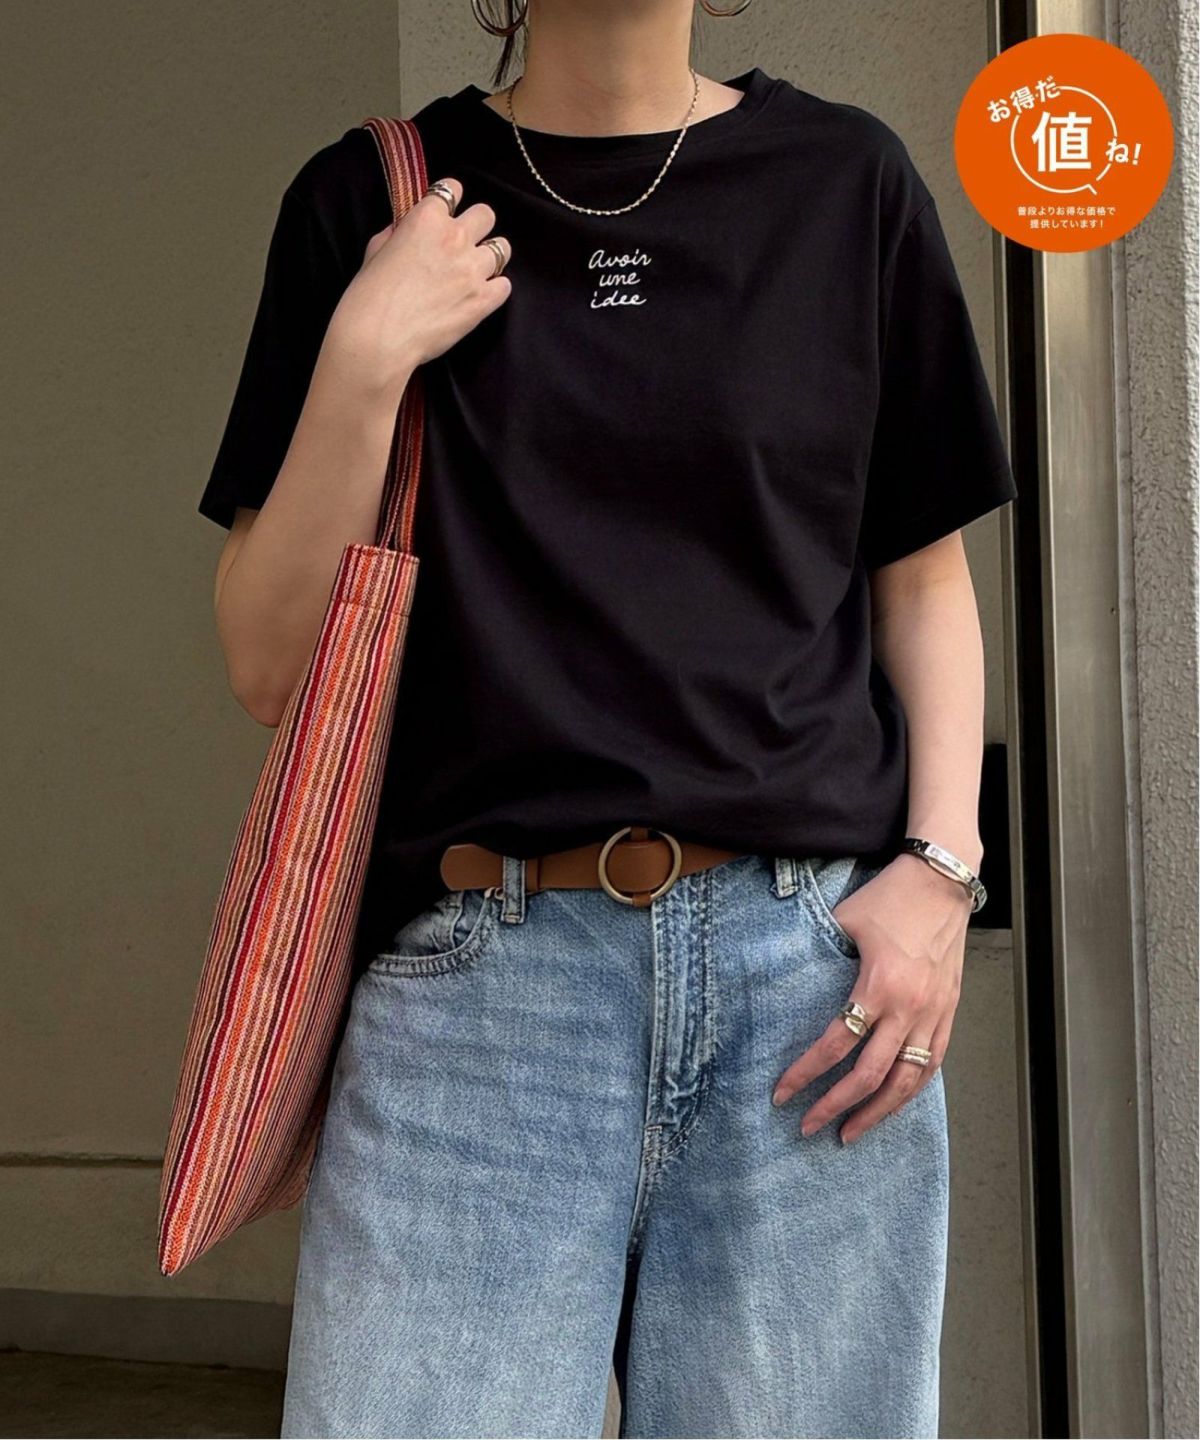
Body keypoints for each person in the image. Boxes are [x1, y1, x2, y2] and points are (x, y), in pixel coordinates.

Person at [196, 3, 1017, 1435]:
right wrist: (366, 355)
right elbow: (271, 664)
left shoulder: (846, 183)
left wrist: (941, 874)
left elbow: (922, 584)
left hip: (805, 989)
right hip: (479, 998)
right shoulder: (373, 200)